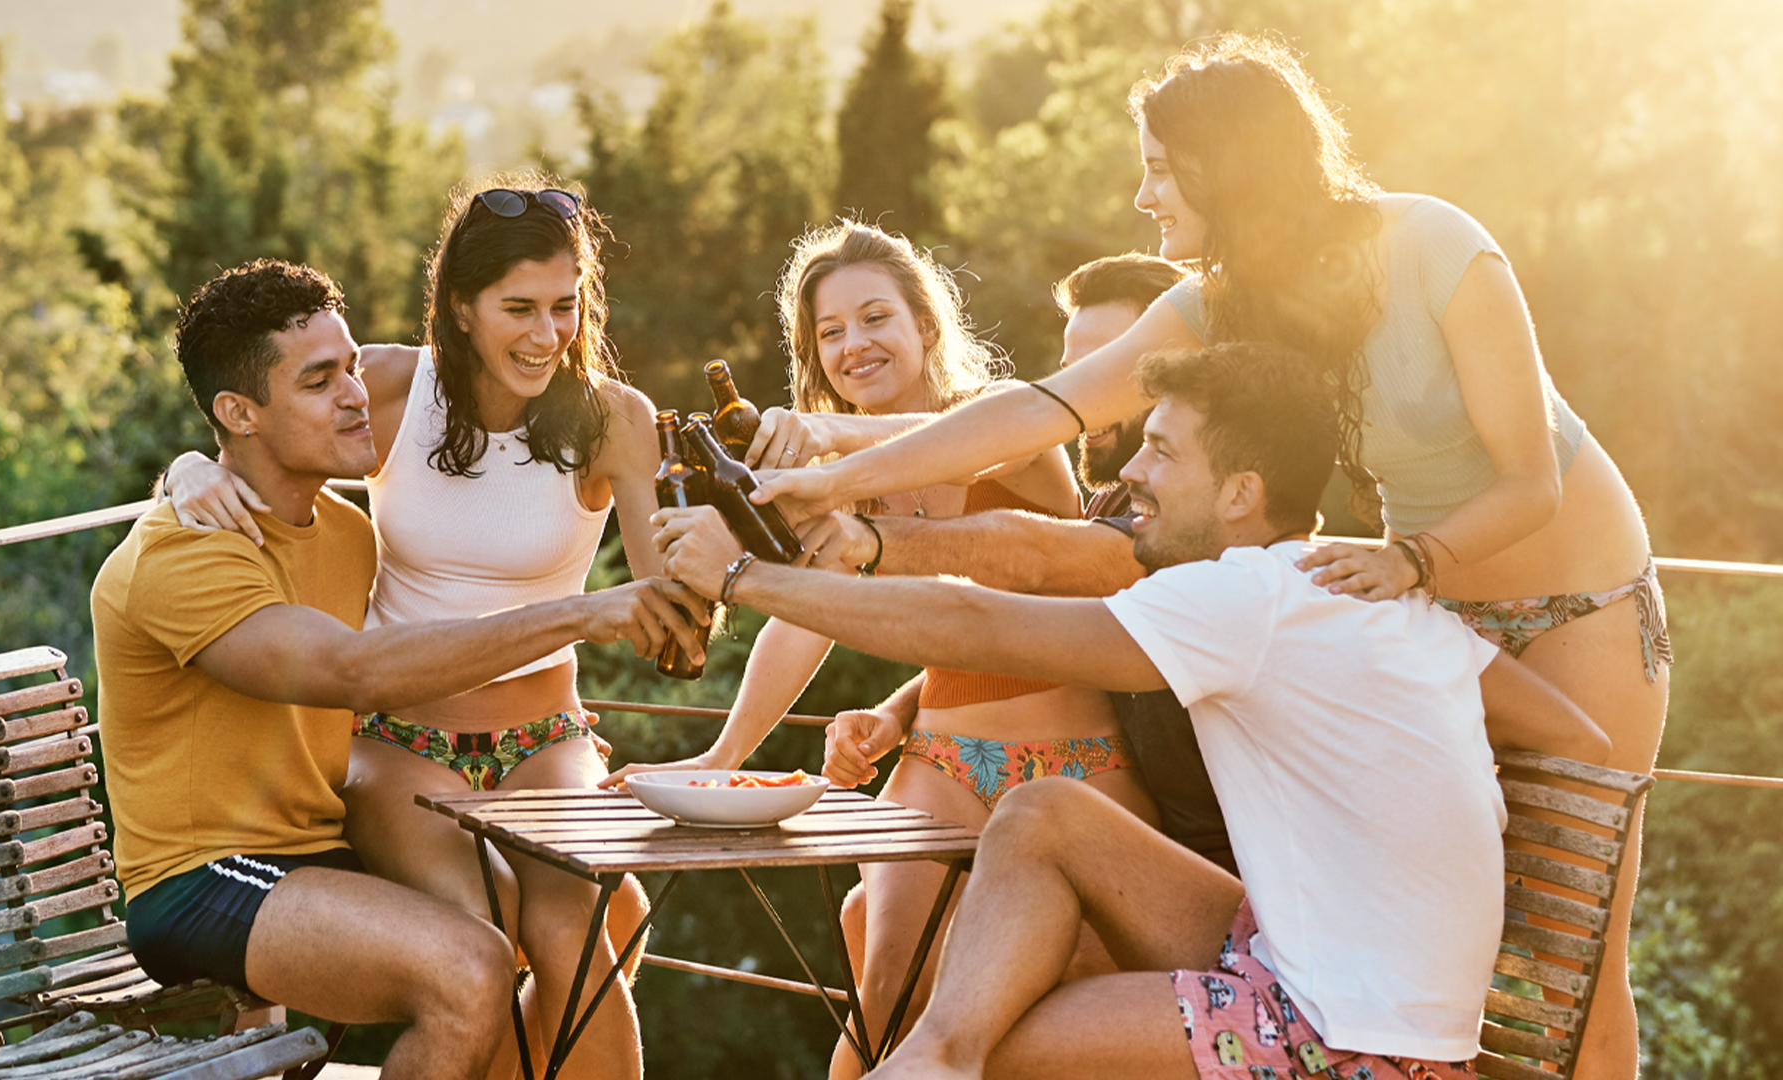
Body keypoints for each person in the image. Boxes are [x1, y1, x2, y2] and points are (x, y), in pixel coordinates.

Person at [750, 34, 1664, 1071]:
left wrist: (1415, 564)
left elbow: (1530, 482)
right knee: (1434, 932)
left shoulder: (1434, 245)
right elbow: (1039, 408)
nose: (1143, 196)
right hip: (1420, 599)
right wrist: (831, 469)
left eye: (1157, 167)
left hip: (1573, 596)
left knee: (1572, 958)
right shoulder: (1214, 303)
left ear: (1226, 165)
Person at [655, 341, 1610, 1080]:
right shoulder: (1369, 588)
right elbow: (1576, 740)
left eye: (1161, 450)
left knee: (999, 1044)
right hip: (1330, 979)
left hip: (1342, 1046)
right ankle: (932, 1058)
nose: (1131, 473)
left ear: (1240, 493)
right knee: (1047, 815)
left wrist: (746, 575)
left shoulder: (1241, 598)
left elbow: (971, 619)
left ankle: (929, 1057)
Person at [93, 259, 705, 1080]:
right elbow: (352, 672)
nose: (355, 392)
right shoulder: (184, 554)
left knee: (592, 915)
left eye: (351, 365)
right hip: (204, 879)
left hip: (319, 849)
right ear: (238, 412)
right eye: (319, 381)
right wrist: (578, 614)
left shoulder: (346, 535)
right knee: (469, 968)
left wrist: (188, 464)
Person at [605, 222, 1148, 1077]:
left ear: (924, 327)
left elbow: (989, 458)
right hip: (939, 755)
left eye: (874, 318)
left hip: (1077, 760)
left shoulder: (1009, 426)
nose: (854, 345)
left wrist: (824, 443)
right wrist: (723, 753)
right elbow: (803, 614)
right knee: (886, 1001)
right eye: (830, 333)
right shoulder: (834, 493)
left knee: (1083, 1004)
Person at [805, 252, 1238, 876]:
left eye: (1109, 370)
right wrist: (899, 712)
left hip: (1220, 853)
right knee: (870, 922)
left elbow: (1024, 555)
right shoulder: (1112, 501)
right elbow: (1028, 631)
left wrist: (844, 496)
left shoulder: (1204, 522)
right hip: (1090, 804)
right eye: (1072, 375)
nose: (1081, 397)